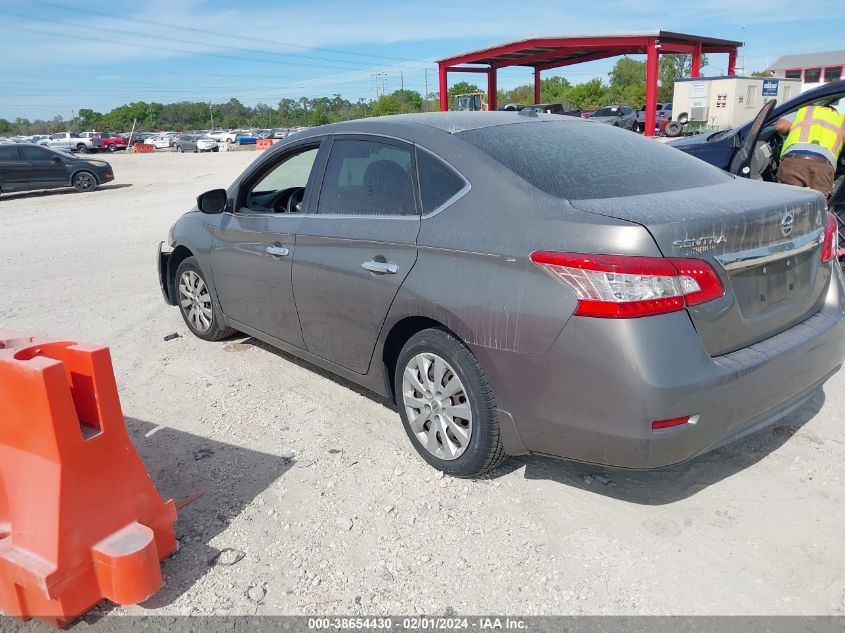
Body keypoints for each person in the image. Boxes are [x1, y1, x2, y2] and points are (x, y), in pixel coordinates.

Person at [775, 102, 845, 199]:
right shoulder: (841, 119)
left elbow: (781, 126)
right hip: (823, 166)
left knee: (787, 204)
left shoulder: (805, 110)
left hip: (794, 161)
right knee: (817, 208)